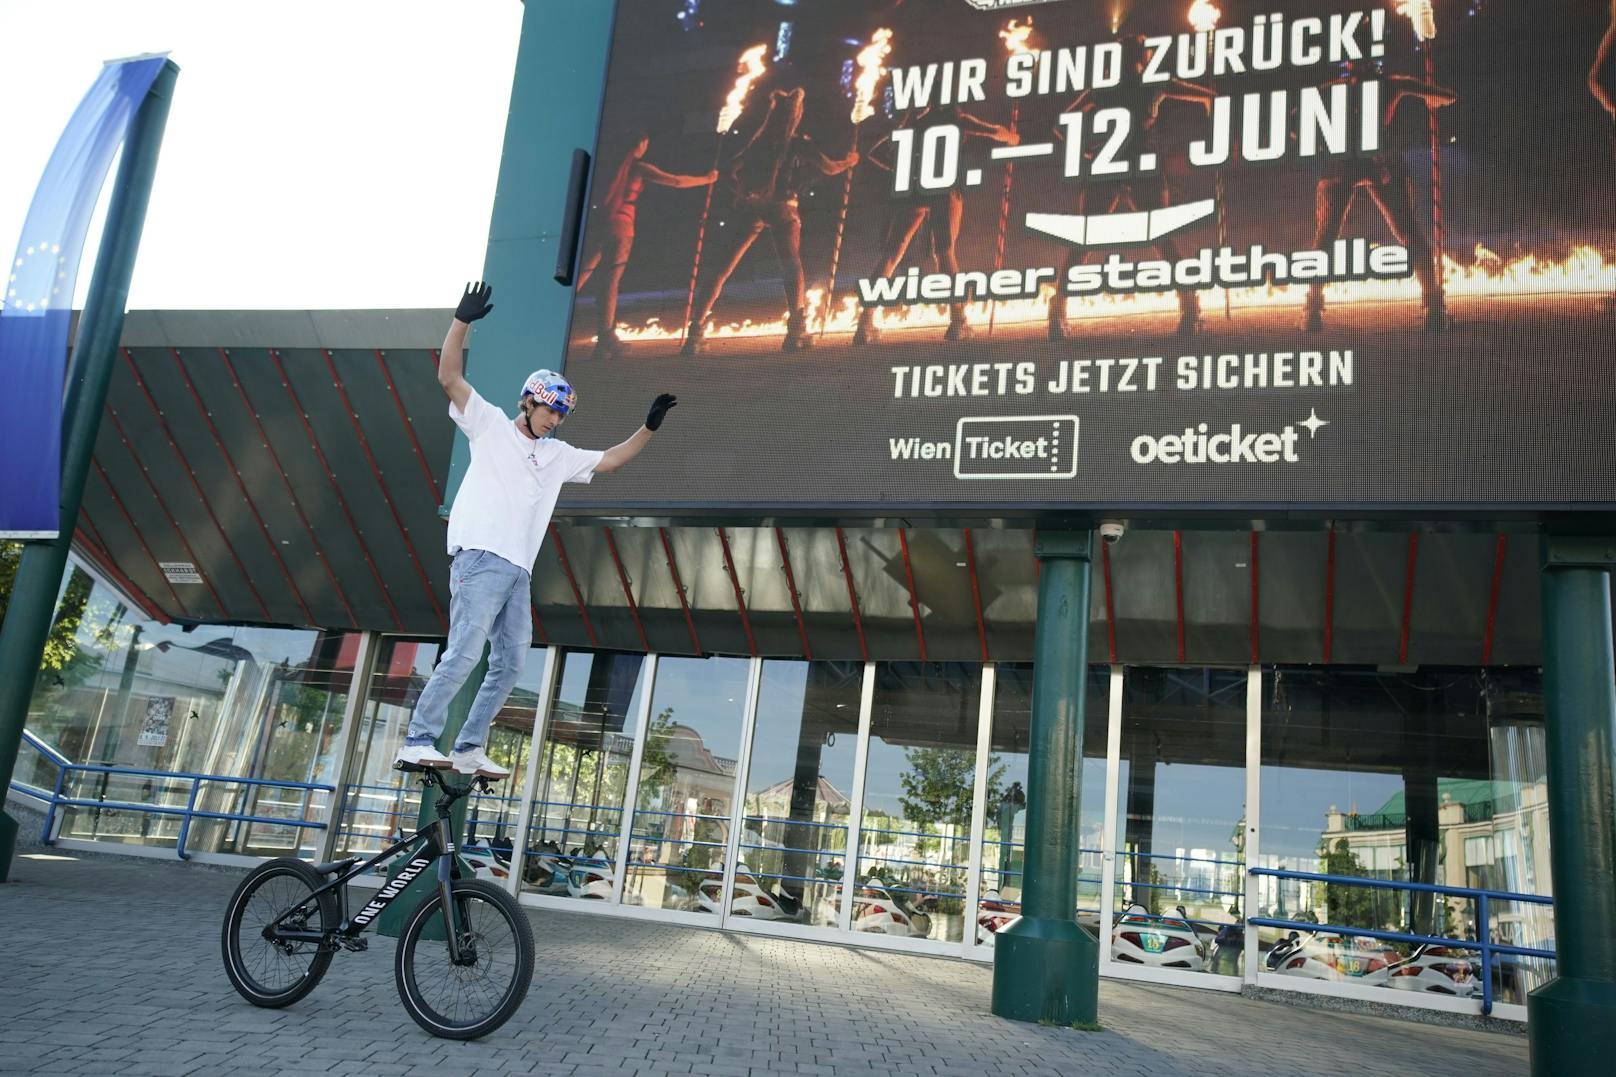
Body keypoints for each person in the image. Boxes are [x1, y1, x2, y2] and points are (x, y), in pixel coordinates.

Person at [394, 282, 677, 777]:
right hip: (479, 557)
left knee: (508, 664)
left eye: (562, 414)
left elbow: (611, 460)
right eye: (550, 410)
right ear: (529, 402)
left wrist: (648, 428)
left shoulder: (557, 455)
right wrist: (462, 320)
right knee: (464, 651)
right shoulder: (490, 426)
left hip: (518, 571)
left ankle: (467, 748)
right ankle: (417, 739)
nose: (555, 420)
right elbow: (449, 374)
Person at [1048, 38, 1215, 341]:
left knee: (1084, 240)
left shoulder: (1104, 87)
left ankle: (1056, 313)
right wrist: (1213, 118)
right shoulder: (1154, 83)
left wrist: (1086, 150)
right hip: (1140, 163)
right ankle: (1190, 310)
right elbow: (1209, 97)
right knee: (1162, 236)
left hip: (1106, 166)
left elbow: (1060, 125)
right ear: (1144, 55)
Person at [680, 87, 858, 355]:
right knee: (792, 267)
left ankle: (695, 331)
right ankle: (796, 331)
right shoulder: (797, 143)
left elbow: (728, 170)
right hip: (784, 207)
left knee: (724, 267)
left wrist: (742, 193)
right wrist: (850, 161)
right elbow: (829, 168)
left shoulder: (758, 142)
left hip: (753, 207)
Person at [1302, 60, 1456, 333]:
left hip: (1353, 162)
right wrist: (1437, 98)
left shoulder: (1332, 90)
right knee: (1406, 230)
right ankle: (1433, 306)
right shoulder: (1389, 84)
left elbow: (1295, 121)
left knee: (1326, 237)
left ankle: (1313, 310)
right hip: (1374, 161)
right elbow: (1445, 96)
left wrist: (1324, 143)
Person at [854, 105, 1020, 346]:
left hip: (915, 189)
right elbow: (992, 131)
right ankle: (957, 321)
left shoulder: (913, 124)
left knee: (892, 253)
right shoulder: (956, 119)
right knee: (944, 252)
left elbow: (876, 152)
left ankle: (864, 322)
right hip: (944, 189)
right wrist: (1011, 137)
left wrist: (906, 170)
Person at [575, 130, 718, 358]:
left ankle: (584, 329)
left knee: (582, 276)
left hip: (599, 226)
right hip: (621, 228)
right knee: (611, 282)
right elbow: (676, 181)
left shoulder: (609, 166)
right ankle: (605, 339)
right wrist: (707, 179)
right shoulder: (638, 167)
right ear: (640, 144)